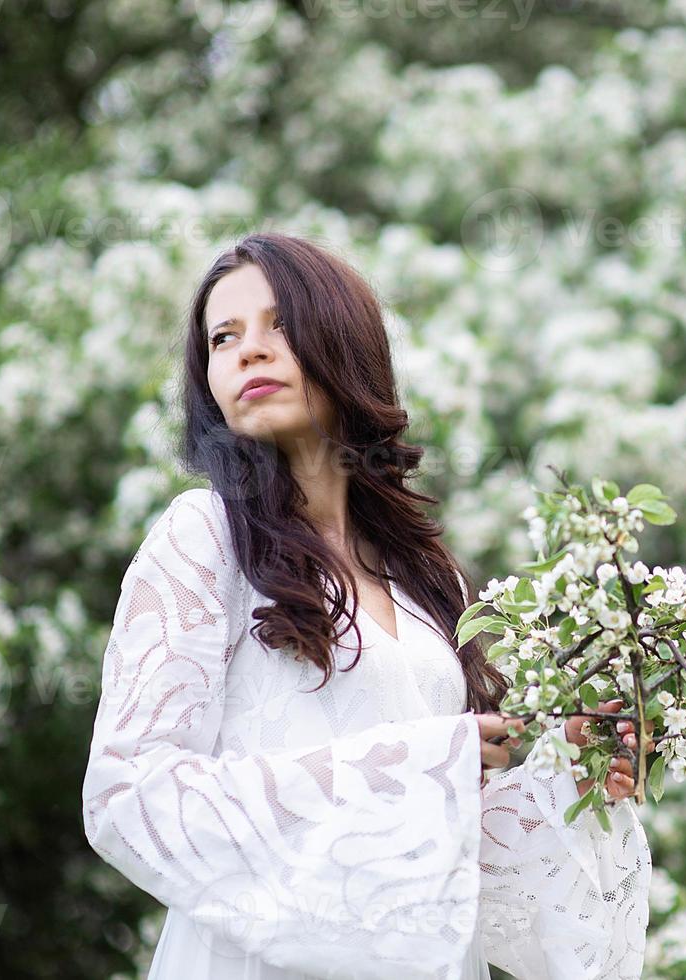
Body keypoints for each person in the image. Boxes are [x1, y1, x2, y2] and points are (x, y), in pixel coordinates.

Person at [80, 233, 651, 979]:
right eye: (224, 338)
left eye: (278, 324)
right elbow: (129, 793)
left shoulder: (425, 578)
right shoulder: (204, 537)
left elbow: (441, 868)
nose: (248, 351)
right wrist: (416, 763)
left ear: (343, 339)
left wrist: (562, 784)